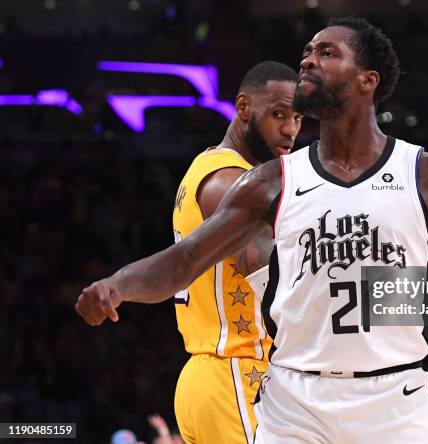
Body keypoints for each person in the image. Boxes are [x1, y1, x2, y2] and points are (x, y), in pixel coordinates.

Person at [76, 17, 428, 443]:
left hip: (393, 399)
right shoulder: (270, 182)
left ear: (367, 80)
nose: (308, 61)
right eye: (306, 53)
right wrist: (117, 285)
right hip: (295, 402)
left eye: (326, 52)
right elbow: (184, 262)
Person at [78, 61, 303, 444]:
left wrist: (118, 284)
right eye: (278, 114)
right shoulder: (229, 182)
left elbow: (179, 262)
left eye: (298, 117)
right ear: (244, 107)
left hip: (216, 379)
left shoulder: (211, 168)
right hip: (238, 376)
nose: (290, 129)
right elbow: (276, 276)